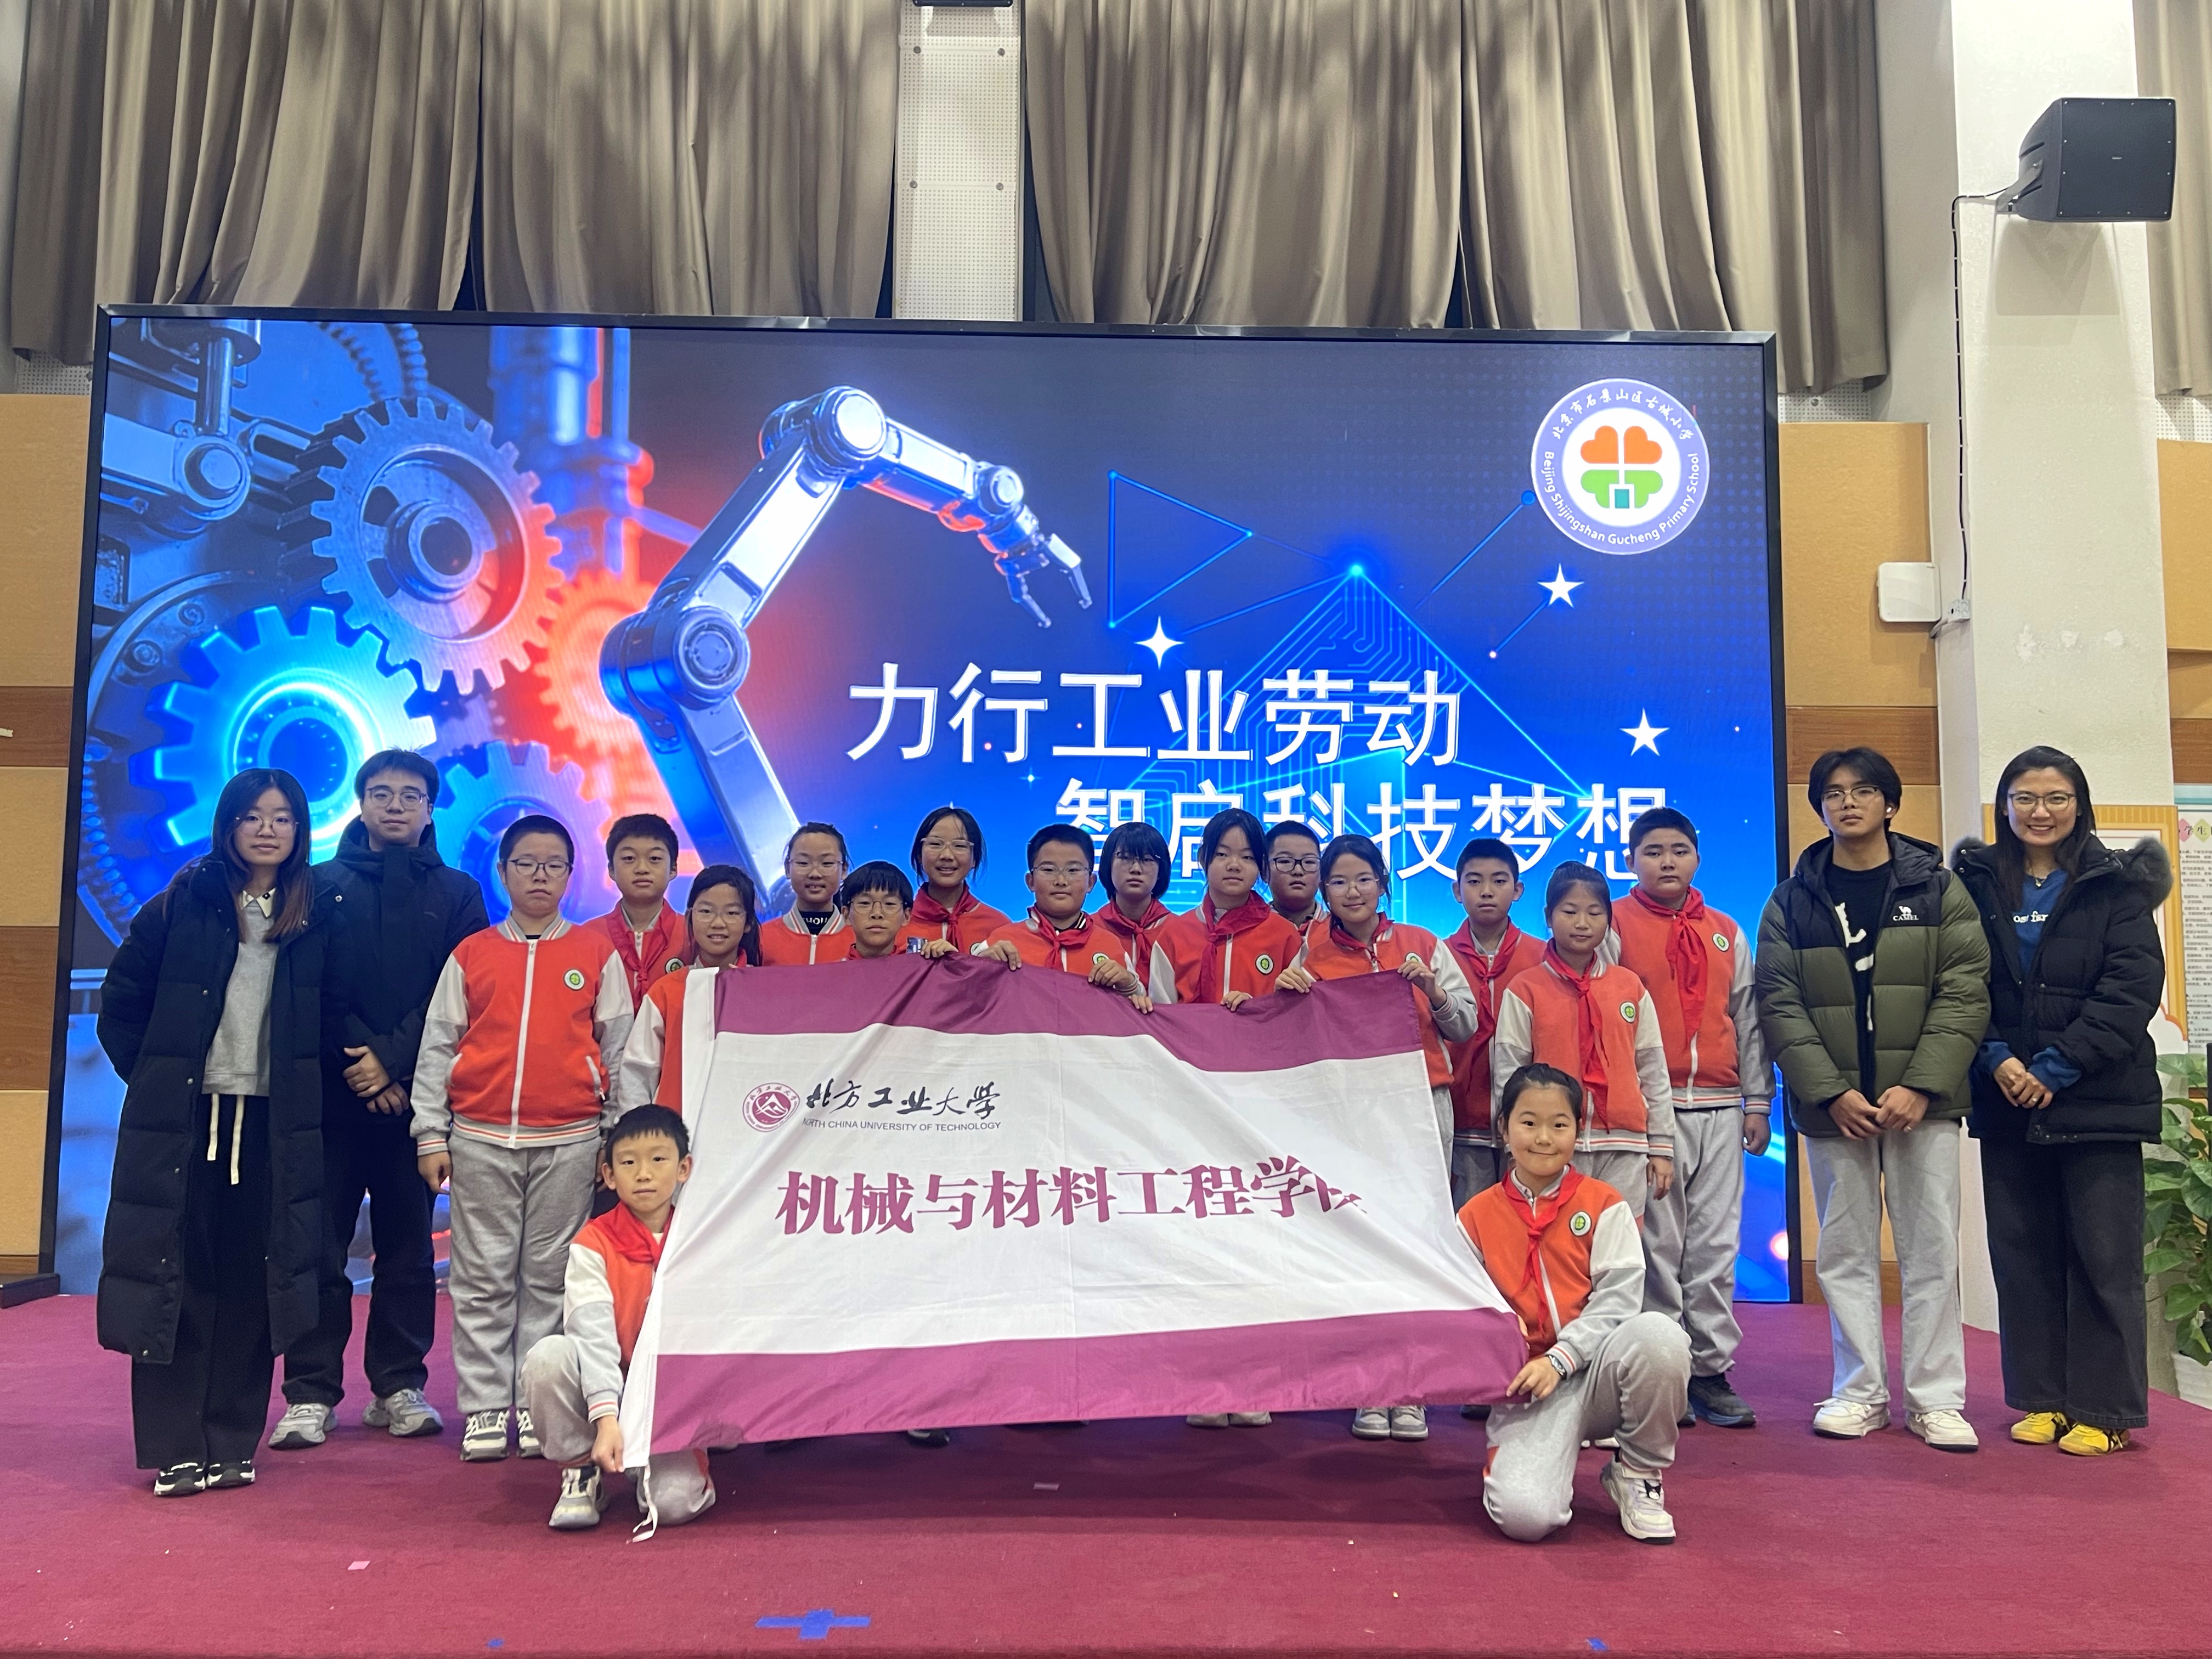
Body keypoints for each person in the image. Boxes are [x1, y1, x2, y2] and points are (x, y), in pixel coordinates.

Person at [97, 768, 335, 1497]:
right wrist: (161, 1079)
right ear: (228, 824)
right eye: (253, 816)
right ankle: (175, 1447)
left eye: (283, 817)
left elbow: (334, 1016)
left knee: (252, 1283)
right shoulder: (183, 903)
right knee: (178, 1279)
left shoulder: (313, 913)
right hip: (188, 1124)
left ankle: (232, 1440)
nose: (268, 829)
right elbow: (121, 1004)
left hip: (272, 1127)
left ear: (300, 832)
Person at [1756, 747, 1989, 1451]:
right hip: (1836, 1111)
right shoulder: (1791, 899)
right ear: (1821, 809)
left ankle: (1936, 1399)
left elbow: (1964, 989)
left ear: (1890, 803)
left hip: (1924, 1105)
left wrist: (1921, 1084)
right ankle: (1858, 1392)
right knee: (1846, 1254)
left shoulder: (1939, 889)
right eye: (1833, 793)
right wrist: (1829, 1092)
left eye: (1863, 791)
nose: (1847, 803)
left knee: (1930, 1250)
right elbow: (1779, 1001)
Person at [1952, 746, 2168, 1455]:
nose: (2040, 812)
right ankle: (2042, 1399)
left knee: (2104, 1261)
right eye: (2025, 798)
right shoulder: (1977, 883)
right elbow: (1959, 982)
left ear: (2080, 805)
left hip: (2098, 1100)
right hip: (2006, 1099)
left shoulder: (2116, 884)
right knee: (2023, 1257)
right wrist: (1996, 1058)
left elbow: (2131, 989)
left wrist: (2055, 1066)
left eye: (2055, 798)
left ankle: (2105, 1410)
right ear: (2004, 806)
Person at [270, 751, 487, 1454]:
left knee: (407, 1253)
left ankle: (399, 1385)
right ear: (361, 803)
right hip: (331, 1102)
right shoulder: (316, 885)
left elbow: (460, 994)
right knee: (319, 1251)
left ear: (430, 809)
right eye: (383, 794)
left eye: (411, 796)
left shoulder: (458, 892)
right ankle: (310, 1392)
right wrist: (363, 1065)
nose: (396, 806)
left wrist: (393, 1066)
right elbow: (310, 990)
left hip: (416, 1105)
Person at [411, 814, 634, 1463]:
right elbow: (438, 1047)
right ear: (503, 872)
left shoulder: (595, 954)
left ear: (570, 875)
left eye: (554, 865)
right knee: (481, 1277)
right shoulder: (472, 954)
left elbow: (620, 1054)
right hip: (480, 1138)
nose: (540, 876)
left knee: (551, 1279)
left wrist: (614, 1140)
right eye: (527, 864)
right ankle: (485, 1405)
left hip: (572, 1140)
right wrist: (430, 1135)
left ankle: (540, 1405)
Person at [1274, 833, 1476, 1442]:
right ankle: (1369, 1385)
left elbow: (1465, 1025)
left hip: (1421, 1103)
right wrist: (1285, 998)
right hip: (1350, 1113)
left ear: (1383, 884)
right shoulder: (1309, 954)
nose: (1352, 891)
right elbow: (1289, 1042)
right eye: (1338, 882)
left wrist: (1432, 990)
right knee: (1362, 1244)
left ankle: (1411, 1390)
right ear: (1325, 891)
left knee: (1420, 1243)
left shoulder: (1422, 943)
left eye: (1364, 879)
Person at [1462, 1064, 1690, 1544]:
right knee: (1525, 1519)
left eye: (1559, 1124)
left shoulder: (1605, 1204)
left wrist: (1561, 1359)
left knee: (1661, 1338)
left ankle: (1637, 1470)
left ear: (1578, 1131)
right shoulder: (1475, 1216)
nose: (1544, 1138)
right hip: (1529, 1387)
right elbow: (1464, 1307)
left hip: (1596, 1372)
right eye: (1528, 1123)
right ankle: (1532, 1459)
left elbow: (1619, 1301)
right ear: (1503, 1128)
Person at [1607, 808, 1770, 1431]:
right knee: (1658, 1245)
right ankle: (1664, 1368)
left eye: (1678, 850)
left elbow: (1748, 1020)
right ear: (1630, 861)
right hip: (1654, 1108)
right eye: (1652, 852)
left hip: (1722, 1108)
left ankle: (1710, 1370)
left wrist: (1759, 1101)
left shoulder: (1727, 931)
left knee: (1715, 1245)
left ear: (1698, 857)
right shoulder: (1613, 923)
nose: (1667, 862)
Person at [521, 1104, 714, 1531]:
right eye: (628, 1163)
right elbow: (592, 1336)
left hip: (671, 1394)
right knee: (548, 1358)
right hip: (610, 1381)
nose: (643, 1174)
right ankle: (581, 1470)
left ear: (684, 1168)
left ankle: (652, 1464)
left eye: (658, 1160)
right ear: (609, 1175)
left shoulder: (701, 1237)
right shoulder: (593, 1242)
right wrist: (607, 1419)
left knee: (674, 1505)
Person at [1490, 864, 1674, 1218]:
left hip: (1625, 1146)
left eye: (1594, 913)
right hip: (1550, 1145)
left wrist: (1662, 1147)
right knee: (1554, 1241)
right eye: (1570, 912)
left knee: (1620, 1241)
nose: (1582, 923)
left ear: (1609, 920)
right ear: (1548, 916)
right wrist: (1515, 1146)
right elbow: (1508, 1076)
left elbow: (1653, 1071)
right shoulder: (1525, 989)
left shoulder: (1630, 987)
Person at [1442, 838, 1545, 1206]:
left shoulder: (1543, 957)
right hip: (1462, 1124)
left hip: (1533, 1127)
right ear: (1457, 891)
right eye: (1474, 881)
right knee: (1465, 1227)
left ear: (1518, 890)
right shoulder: (1438, 957)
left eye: (1499, 881)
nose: (1487, 891)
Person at [617, 864, 761, 1118]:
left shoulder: (765, 991)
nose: (718, 923)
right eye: (706, 911)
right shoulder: (666, 991)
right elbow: (638, 1072)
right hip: (673, 1130)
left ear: (748, 922)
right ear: (690, 918)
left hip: (745, 1127)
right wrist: (636, 1130)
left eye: (732, 913)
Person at [979, 825, 1154, 1007]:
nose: (1061, 881)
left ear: (1091, 882)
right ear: (1030, 881)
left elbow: (1138, 1008)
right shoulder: (1000, 943)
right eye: (1049, 870)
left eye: (1073, 871)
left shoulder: (1111, 946)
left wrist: (1129, 986)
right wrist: (981, 970)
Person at [1150, 808, 1302, 1013]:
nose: (1234, 865)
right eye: (1222, 854)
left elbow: (1296, 1015)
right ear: (1203, 858)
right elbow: (1161, 1017)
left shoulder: (1285, 935)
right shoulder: (1174, 935)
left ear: (1261, 865)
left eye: (1247, 857)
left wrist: (1256, 1009)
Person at [592, 813, 690, 1008]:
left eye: (655, 858)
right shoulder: (590, 936)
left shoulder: (692, 935)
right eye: (629, 858)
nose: (642, 868)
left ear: (673, 869)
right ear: (611, 870)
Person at [899, 805, 1010, 956]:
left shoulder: (998, 926)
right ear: (919, 854)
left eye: (959, 846)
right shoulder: (896, 924)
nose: (947, 855)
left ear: (974, 859)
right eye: (935, 844)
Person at [757, 822, 854, 964]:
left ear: (844, 870)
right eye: (803, 863)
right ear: (787, 868)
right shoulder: (761, 938)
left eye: (827, 863)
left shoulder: (861, 939)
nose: (815, 874)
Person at [1091, 820, 1175, 983]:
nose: (1136, 869)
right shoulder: (1090, 929)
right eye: (1125, 858)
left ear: (1161, 871)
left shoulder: (1179, 931)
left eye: (1147, 859)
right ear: (1108, 865)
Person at [838, 862, 913, 960]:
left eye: (889, 903)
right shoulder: (833, 969)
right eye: (865, 903)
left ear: (906, 916)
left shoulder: (920, 967)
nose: (877, 913)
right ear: (846, 915)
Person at [1265, 820, 1325, 931]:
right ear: (1264, 871)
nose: (1298, 871)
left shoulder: (1342, 930)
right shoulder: (1249, 931)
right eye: (1285, 861)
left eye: (1309, 862)